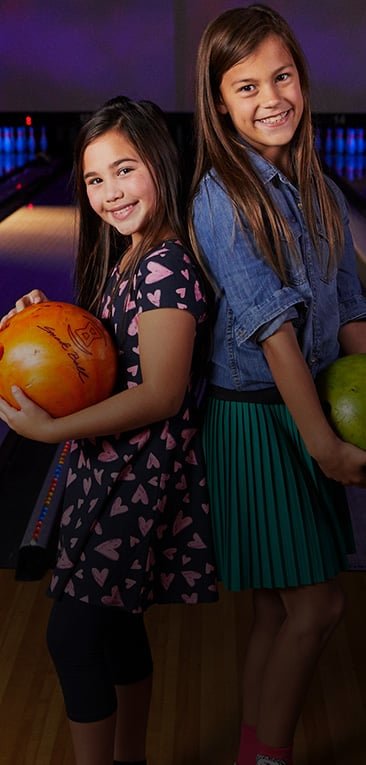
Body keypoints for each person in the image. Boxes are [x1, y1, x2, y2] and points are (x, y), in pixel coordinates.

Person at [0, 96, 218, 765]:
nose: (110, 192)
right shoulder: (133, 255)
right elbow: (106, 357)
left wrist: (47, 430)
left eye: (125, 170)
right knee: (117, 627)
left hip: (136, 478)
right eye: (95, 179)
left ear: (160, 161)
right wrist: (55, 319)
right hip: (112, 472)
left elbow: (159, 392)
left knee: (73, 636)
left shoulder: (165, 264)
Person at [189, 5, 366, 765]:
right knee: (319, 603)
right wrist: (325, 443)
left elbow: (352, 308)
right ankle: (272, 757)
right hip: (260, 420)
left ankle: (253, 750)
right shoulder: (222, 197)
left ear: (301, 76)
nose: (272, 97)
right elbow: (275, 332)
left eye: (282, 75)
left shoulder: (318, 186)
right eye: (247, 85)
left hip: (309, 405)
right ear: (219, 103)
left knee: (276, 607)